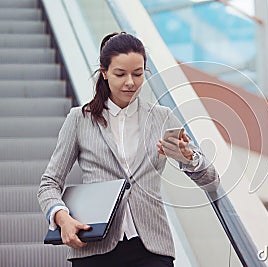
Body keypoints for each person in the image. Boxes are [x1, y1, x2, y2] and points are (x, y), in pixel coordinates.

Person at [37, 32, 220, 267]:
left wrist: (190, 158)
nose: (131, 82)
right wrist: (61, 218)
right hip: (95, 246)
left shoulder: (161, 117)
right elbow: (49, 183)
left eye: (138, 73)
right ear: (104, 72)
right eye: (120, 74)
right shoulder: (80, 119)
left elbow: (211, 182)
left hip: (151, 246)